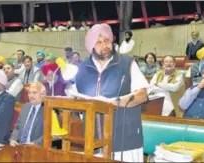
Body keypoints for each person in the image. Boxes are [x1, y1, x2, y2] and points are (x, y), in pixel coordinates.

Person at [66, 23, 148, 162]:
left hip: (125, 141)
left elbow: (142, 94)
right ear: (91, 47)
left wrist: (114, 102)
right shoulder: (82, 69)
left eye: (107, 40)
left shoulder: (127, 63)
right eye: (98, 42)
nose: (104, 45)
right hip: (94, 142)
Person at [10, 82, 46, 146]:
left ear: (43, 94)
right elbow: (17, 127)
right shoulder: (26, 107)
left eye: (34, 93)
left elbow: (50, 134)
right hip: (19, 146)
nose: (31, 96)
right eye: (29, 93)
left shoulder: (49, 109)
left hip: (37, 149)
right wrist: (13, 139)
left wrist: (35, 144)